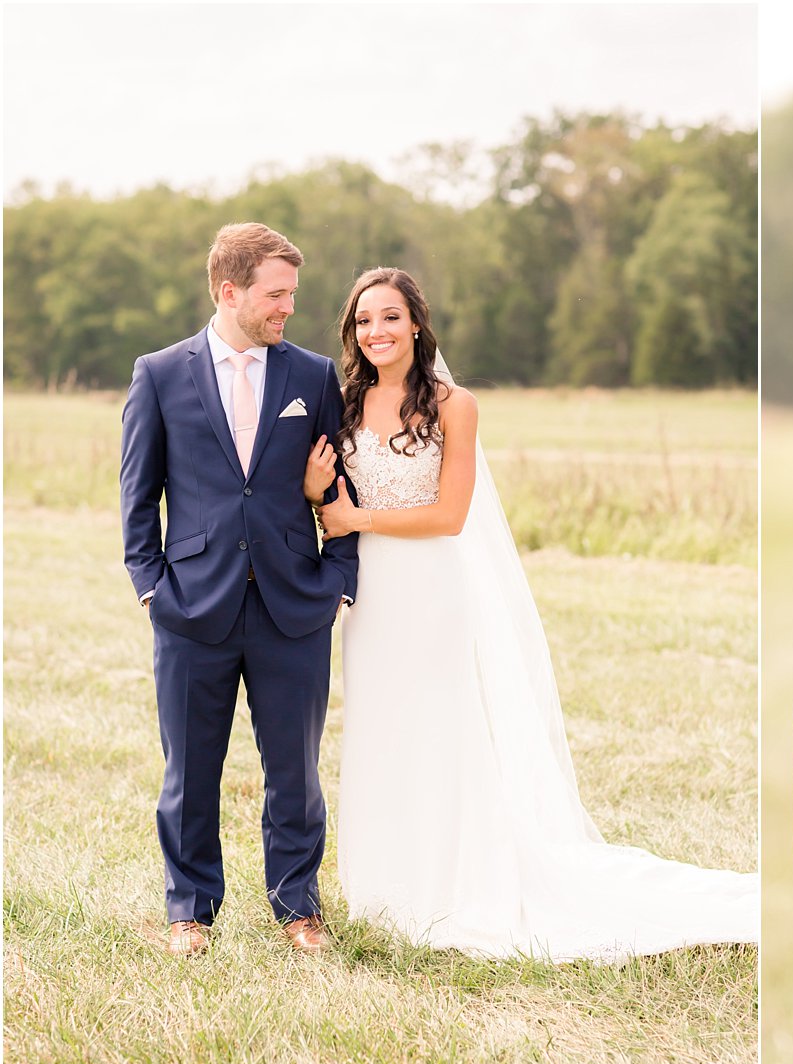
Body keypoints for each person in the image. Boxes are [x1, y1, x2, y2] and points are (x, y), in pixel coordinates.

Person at [306, 267, 757, 961]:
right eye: (364, 321)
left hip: (431, 588)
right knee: (383, 726)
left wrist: (355, 515)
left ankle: (455, 883)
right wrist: (318, 494)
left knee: (444, 729)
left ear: (417, 324)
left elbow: (451, 515)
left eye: (390, 317)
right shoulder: (341, 403)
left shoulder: (455, 405)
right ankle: (389, 885)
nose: (377, 332)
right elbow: (323, 492)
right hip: (372, 599)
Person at [121, 222, 356, 956]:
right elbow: (138, 494)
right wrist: (151, 589)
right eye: (276, 294)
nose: (288, 307)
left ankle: (298, 907)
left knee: (295, 767)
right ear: (230, 291)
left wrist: (338, 582)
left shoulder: (312, 376)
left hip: (293, 604)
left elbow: (339, 485)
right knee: (190, 770)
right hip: (192, 604)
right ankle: (189, 910)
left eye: (292, 293)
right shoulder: (159, 373)